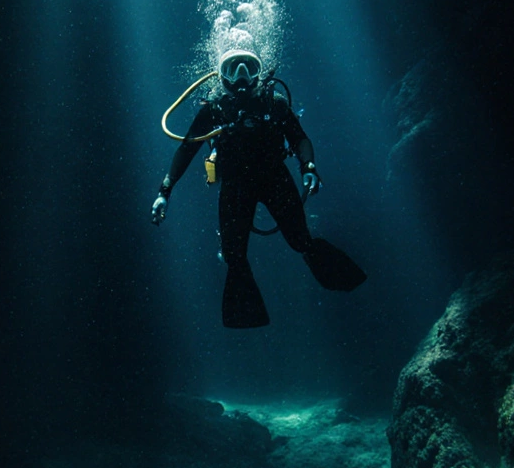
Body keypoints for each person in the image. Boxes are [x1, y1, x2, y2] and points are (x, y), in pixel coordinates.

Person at [151, 49, 367, 328]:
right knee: (234, 255)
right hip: (236, 186)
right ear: (221, 74)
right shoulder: (214, 110)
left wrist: (309, 167)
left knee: (301, 241)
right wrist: (164, 192)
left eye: (249, 67)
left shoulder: (274, 104)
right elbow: (187, 149)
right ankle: (247, 317)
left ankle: (340, 277)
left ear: (259, 72)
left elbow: (300, 138)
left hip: (274, 178)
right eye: (233, 68)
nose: (242, 75)